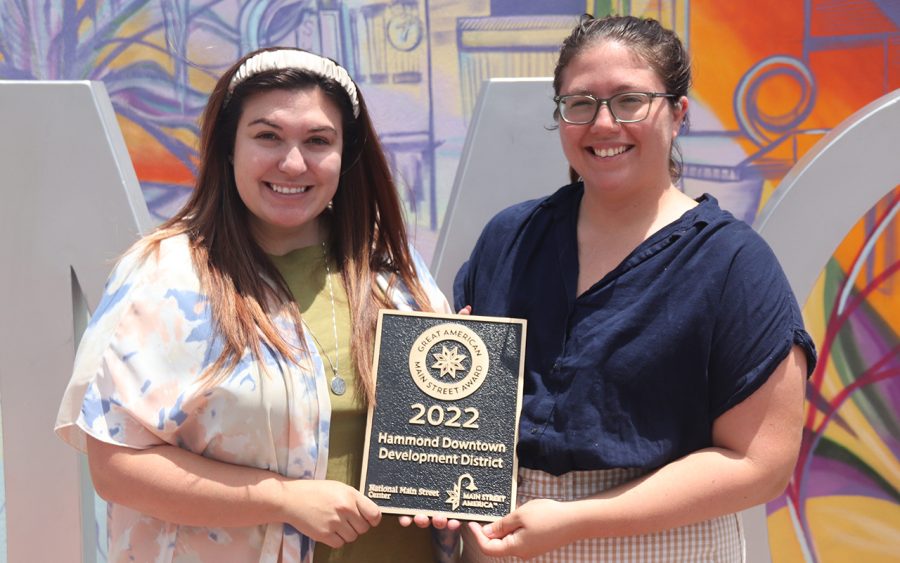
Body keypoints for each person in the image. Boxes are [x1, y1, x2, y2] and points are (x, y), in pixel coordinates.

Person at [55, 47, 455, 562]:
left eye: (318, 141)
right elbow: (117, 468)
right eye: (268, 136)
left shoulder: (393, 271)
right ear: (228, 147)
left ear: (346, 154)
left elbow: (437, 445)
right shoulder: (164, 275)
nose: (292, 163)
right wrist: (282, 500)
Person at [453, 14, 817, 562]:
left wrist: (576, 520)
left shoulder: (732, 262)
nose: (603, 124)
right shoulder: (510, 237)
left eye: (629, 101)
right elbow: (458, 401)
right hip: (504, 538)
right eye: (580, 103)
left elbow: (758, 465)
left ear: (677, 113)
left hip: (661, 543)